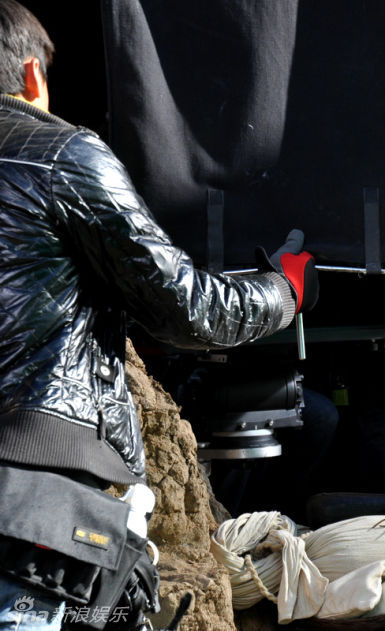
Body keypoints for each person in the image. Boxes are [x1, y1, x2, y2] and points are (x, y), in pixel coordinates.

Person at [0, 1, 317, 628]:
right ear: (33, 76)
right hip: (34, 502)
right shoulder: (60, 154)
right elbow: (190, 310)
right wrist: (285, 290)